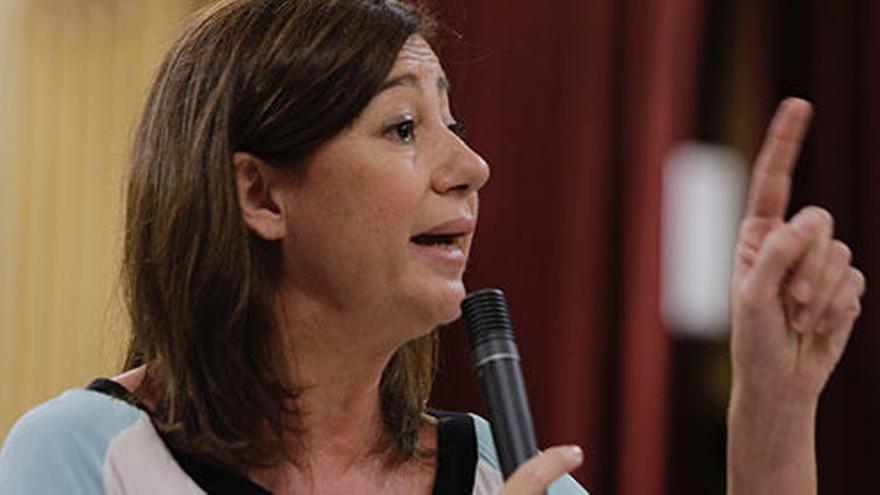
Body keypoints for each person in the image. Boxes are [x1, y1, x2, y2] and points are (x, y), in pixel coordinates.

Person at [0, 0, 864, 494]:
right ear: (261, 194)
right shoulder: (81, 457)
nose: (473, 166)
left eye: (456, 120)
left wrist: (777, 407)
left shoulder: (506, 478)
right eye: (405, 126)